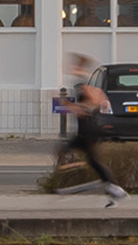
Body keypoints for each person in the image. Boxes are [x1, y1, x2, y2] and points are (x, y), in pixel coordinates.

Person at [50, 52, 131, 205]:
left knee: (71, 153)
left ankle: (113, 188)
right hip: (85, 131)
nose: (71, 67)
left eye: (75, 65)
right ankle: (113, 189)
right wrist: (74, 105)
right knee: (91, 160)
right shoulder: (83, 83)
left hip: (87, 131)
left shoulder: (83, 84)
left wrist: (76, 106)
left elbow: (96, 101)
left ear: (79, 66)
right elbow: (99, 99)